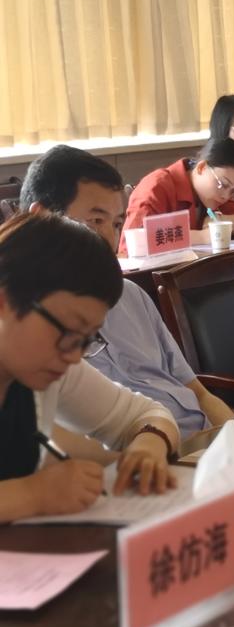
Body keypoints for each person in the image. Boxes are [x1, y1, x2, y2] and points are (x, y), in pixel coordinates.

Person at [19, 146, 234, 438]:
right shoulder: (30, 332)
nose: (110, 239)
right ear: (42, 218)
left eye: (117, 224)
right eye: (95, 221)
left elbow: (199, 394)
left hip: (201, 445)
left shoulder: (130, 295)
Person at [0, 213, 181, 523]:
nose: (74, 357)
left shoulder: (46, 366)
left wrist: (149, 444)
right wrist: (32, 494)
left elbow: (146, 415)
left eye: (87, 339)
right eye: (69, 332)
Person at [121, 137, 234, 251]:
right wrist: (201, 237)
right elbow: (131, 246)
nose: (226, 196)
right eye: (223, 184)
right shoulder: (157, 187)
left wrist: (223, 221)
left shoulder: (216, 195)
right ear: (201, 168)